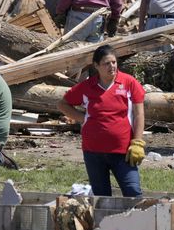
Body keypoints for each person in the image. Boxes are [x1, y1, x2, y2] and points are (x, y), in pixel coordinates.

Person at [57, 45, 146, 197]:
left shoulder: (129, 83)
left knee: (133, 193)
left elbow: (139, 114)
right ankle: (103, 221)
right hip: (93, 152)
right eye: (106, 63)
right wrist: (83, 118)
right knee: (101, 197)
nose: (112, 66)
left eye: (114, 62)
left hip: (122, 151)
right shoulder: (87, 86)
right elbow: (62, 104)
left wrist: (137, 142)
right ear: (96, 65)